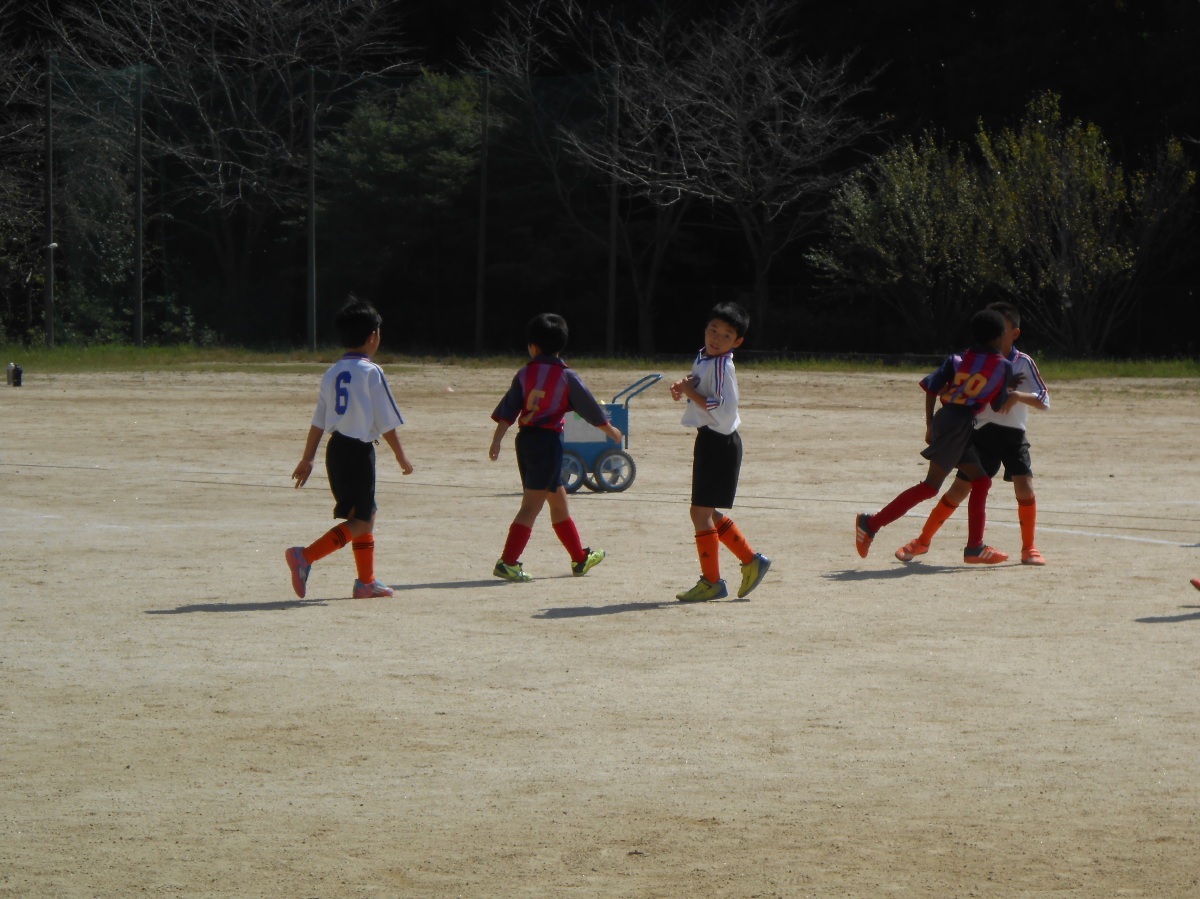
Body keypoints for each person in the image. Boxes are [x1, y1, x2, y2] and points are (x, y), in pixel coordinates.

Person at [856, 308, 1017, 564]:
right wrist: (1010, 392)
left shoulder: (958, 359)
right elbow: (997, 405)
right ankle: (871, 523)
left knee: (981, 481)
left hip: (947, 419)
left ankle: (975, 547)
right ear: (999, 337)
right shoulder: (1004, 366)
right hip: (959, 424)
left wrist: (930, 424)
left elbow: (931, 387)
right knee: (930, 486)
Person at [894, 301, 1050, 565]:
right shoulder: (973, 360)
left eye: (1002, 327)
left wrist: (1017, 396)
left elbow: (1044, 399)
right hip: (979, 432)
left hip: (1013, 435)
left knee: (1024, 486)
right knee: (959, 489)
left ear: (1014, 333)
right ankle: (922, 541)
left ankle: (1029, 548)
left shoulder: (1023, 362)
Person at [286, 297, 414, 599]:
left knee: (365, 513)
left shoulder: (332, 372)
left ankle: (366, 582)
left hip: (336, 450)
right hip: (358, 452)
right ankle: (305, 556)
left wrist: (307, 459)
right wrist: (401, 455)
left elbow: (318, 420)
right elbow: (386, 421)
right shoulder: (371, 372)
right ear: (373, 337)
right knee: (362, 520)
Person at [488, 312, 623, 582]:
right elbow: (588, 406)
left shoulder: (525, 373)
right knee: (531, 505)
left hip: (526, 440)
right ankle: (508, 562)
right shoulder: (565, 375)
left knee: (559, 503)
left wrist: (497, 439)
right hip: (546, 443)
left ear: (533, 347)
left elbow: (509, 408)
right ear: (561, 346)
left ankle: (580, 559)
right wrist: (610, 430)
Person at [669, 301, 771, 602]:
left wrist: (690, 392)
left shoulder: (722, 365)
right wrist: (684, 385)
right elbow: (700, 386)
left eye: (726, 335)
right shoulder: (705, 356)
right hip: (711, 441)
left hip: (720, 443)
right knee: (707, 512)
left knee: (699, 513)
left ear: (737, 342)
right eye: (713, 330)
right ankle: (751, 560)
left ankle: (712, 582)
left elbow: (722, 408)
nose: (717, 338)